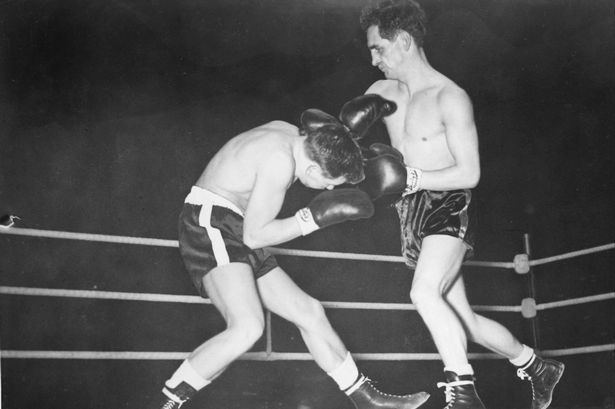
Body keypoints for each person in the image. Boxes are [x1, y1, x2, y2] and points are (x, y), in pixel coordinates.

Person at [148, 96, 430, 409]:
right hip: (211, 222)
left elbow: (328, 147)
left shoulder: (294, 135)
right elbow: (255, 236)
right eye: (327, 182)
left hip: (234, 224)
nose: (327, 190)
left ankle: (367, 400)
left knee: (309, 312)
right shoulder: (279, 162)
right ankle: (165, 403)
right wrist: (310, 220)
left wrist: (352, 143)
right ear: (312, 168)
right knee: (246, 327)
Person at [353, 1, 565, 408]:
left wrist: (412, 177)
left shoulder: (451, 98)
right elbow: (348, 154)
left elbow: (470, 174)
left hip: (447, 205)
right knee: (462, 322)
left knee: (424, 293)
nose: (373, 58)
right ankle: (538, 367)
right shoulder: (380, 93)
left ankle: (463, 392)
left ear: (404, 41)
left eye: (378, 47)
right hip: (408, 213)